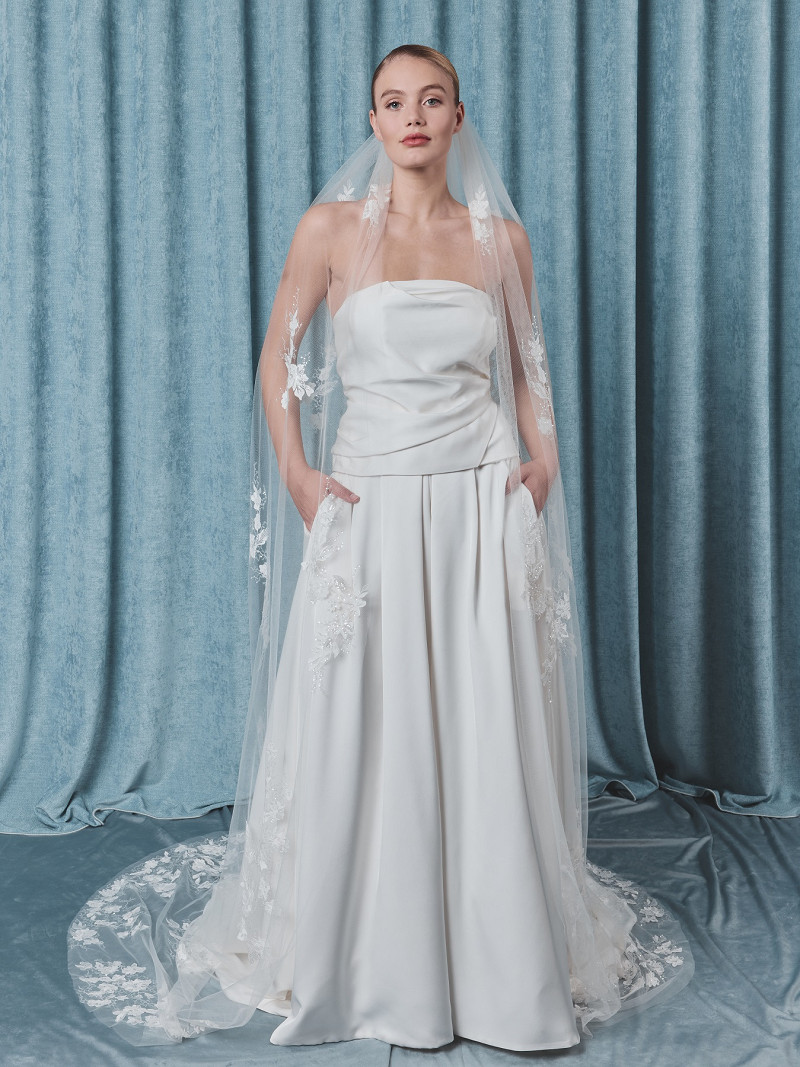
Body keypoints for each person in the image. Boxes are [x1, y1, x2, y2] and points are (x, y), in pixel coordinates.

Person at [68, 45, 693, 1051]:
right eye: (393, 102)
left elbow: (526, 370)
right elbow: (277, 353)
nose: (412, 117)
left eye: (430, 100)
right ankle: (366, 948)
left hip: (477, 501)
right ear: (373, 121)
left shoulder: (500, 241)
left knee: (482, 715)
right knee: (366, 715)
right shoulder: (329, 230)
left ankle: (494, 957)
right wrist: (297, 470)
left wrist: (541, 463)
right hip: (369, 498)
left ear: (456, 118)